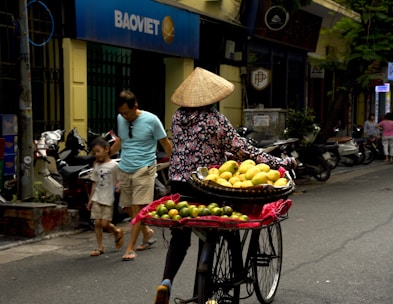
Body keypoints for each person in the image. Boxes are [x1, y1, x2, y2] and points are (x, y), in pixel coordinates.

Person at [154, 67, 296, 304]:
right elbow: (244, 149)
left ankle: (166, 281)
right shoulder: (215, 119)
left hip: (179, 183)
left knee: (181, 235)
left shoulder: (177, 117)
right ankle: (227, 279)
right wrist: (278, 162)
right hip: (207, 184)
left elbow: (197, 147)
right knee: (225, 222)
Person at [110, 90, 172, 261]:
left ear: (135, 106)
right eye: (121, 113)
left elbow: (165, 143)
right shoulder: (121, 119)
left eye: (127, 113)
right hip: (125, 167)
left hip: (144, 168)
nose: (124, 116)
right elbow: (122, 140)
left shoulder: (152, 120)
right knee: (127, 207)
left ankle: (130, 248)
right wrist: (106, 155)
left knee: (138, 208)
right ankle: (147, 232)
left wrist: (176, 164)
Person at [87, 137, 124, 256]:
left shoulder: (114, 166)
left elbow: (120, 180)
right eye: (94, 152)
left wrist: (119, 186)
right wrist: (90, 199)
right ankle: (100, 247)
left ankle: (117, 231)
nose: (96, 154)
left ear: (107, 149)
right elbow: (94, 182)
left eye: (98, 151)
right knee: (97, 223)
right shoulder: (96, 165)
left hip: (108, 198)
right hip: (97, 197)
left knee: (104, 223)